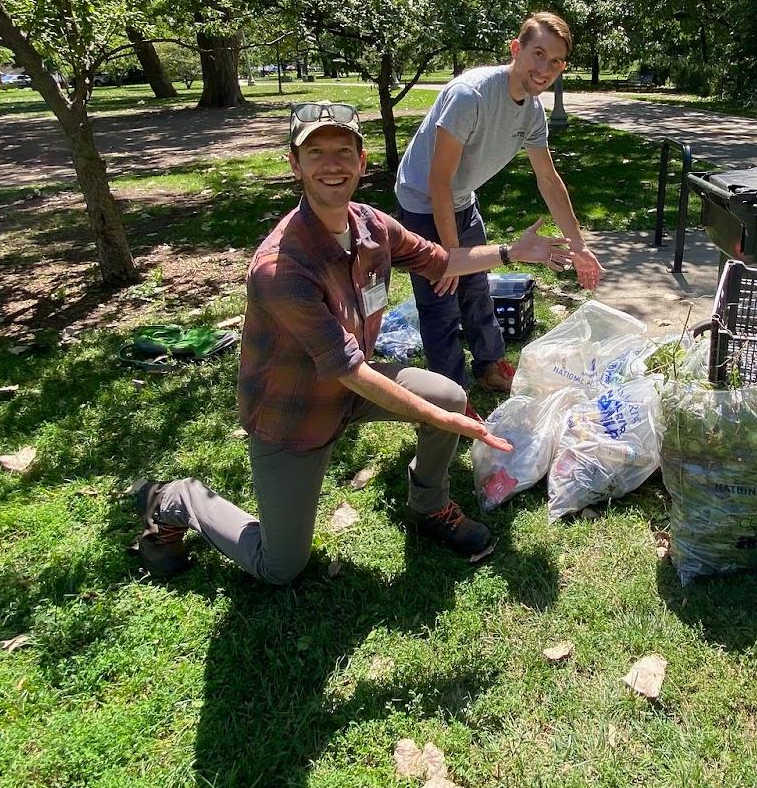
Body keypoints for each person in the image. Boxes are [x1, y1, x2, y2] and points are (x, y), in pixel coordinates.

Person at [125, 101, 572, 585]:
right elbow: (348, 369)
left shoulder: (371, 225)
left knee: (447, 394)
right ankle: (174, 499)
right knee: (281, 566)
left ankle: (428, 506)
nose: (331, 164)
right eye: (315, 153)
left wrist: (510, 251)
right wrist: (441, 419)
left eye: (343, 151)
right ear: (295, 165)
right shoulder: (281, 267)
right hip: (292, 414)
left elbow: (441, 261)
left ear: (362, 162)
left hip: (350, 386)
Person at [394, 11, 604, 396]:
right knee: (442, 299)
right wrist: (451, 257)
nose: (545, 69)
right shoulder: (470, 95)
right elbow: (438, 182)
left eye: (555, 61)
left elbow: (548, 179)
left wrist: (579, 246)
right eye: (538, 54)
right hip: (422, 203)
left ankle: (490, 366)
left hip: (462, 199)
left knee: (476, 289)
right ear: (516, 49)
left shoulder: (533, 111)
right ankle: (450, 395)